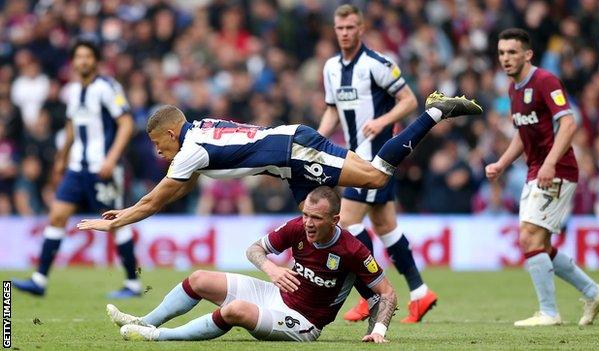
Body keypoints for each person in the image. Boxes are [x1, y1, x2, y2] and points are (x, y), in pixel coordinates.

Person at [76, 91, 481, 233]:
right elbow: (173, 189)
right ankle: (329, 295)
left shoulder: (191, 150)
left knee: (375, 178)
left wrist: (113, 221)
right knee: (311, 222)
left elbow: (155, 201)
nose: (156, 153)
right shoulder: (198, 131)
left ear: (168, 132)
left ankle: (435, 112)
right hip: (292, 159)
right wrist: (127, 211)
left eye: (155, 143)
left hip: (296, 151)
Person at [105, 187, 397, 343]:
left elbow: (387, 293)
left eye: (317, 218)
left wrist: (379, 332)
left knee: (234, 311)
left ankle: (158, 337)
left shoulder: (352, 250)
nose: (308, 223)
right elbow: (254, 249)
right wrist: (271, 268)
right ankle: (146, 322)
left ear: (335, 220)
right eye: (306, 214)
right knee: (199, 279)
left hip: (305, 323)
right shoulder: (297, 228)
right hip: (275, 295)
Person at [485, 28, 599, 327]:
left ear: (528, 54)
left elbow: (568, 124)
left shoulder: (545, 81)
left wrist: (550, 163)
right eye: (502, 53)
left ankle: (549, 312)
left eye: (512, 52)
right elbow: (522, 132)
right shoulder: (513, 89)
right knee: (538, 242)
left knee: (529, 237)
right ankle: (593, 292)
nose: (506, 58)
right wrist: (502, 163)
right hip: (536, 171)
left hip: (556, 171)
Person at [318, 4, 436, 323]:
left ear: (361, 29)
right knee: (386, 228)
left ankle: (372, 295)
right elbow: (333, 110)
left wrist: (381, 120)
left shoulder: (377, 63)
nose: (344, 33)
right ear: (335, 29)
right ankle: (420, 293)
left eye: (350, 28)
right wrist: (315, 136)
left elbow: (410, 100)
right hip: (355, 156)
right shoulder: (330, 68)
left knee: (347, 223)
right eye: (339, 28)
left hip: (377, 158)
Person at [12, 39, 142, 299]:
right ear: (73, 62)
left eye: (88, 56)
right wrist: (62, 158)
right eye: (79, 57)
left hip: (102, 168)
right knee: (57, 215)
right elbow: (72, 127)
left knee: (115, 222)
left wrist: (111, 158)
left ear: (95, 60)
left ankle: (133, 283)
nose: (83, 61)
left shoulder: (107, 87)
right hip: (76, 168)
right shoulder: (73, 91)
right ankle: (39, 279)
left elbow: (126, 124)